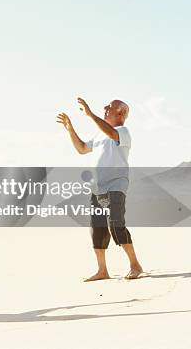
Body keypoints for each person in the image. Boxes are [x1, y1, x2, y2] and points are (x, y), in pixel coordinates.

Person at [57, 97, 143, 281]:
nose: (105, 108)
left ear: (120, 113)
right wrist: (71, 130)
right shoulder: (98, 136)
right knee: (97, 229)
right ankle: (102, 270)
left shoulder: (123, 131)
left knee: (116, 224)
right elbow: (81, 149)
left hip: (116, 184)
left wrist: (90, 115)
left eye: (109, 107)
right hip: (97, 187)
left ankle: (135, 265)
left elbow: (112, 133)